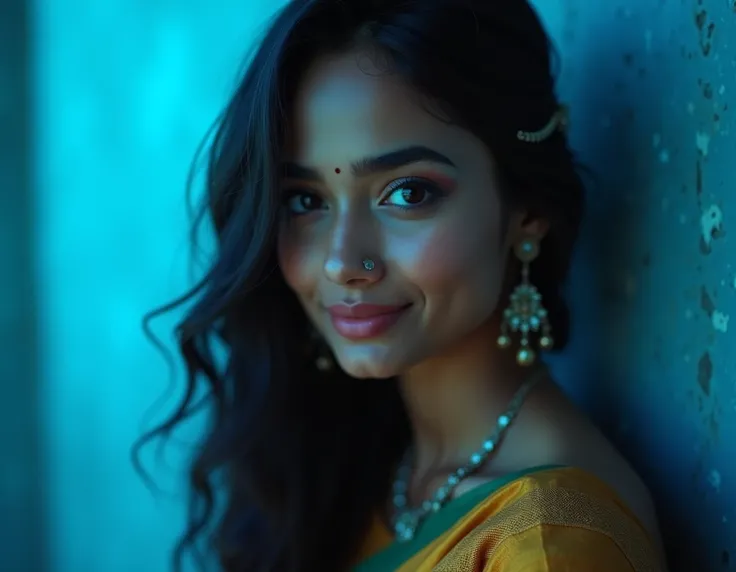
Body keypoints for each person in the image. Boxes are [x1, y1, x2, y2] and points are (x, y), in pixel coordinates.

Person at [139, 0, 667, 570]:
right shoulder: (361, 462)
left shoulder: (545, 544)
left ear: (527, 209)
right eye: (306, 201)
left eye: (408, 193)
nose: (343, 261)